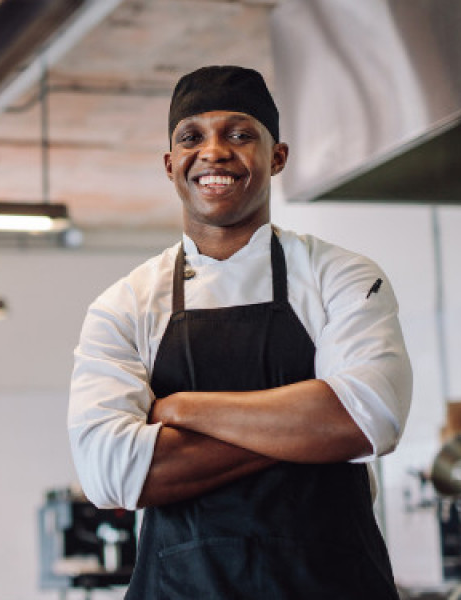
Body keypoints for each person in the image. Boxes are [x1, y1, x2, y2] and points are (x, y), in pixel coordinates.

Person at [67, 65, 412, 598]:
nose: (214, 152)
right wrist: (307, 428)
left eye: (240, 134)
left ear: (278, 157)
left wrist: (182, 410)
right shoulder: (124, 306)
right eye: (192, 137)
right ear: (170, 164)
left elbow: (371, 419)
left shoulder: (340, 276)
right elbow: (110, 474)